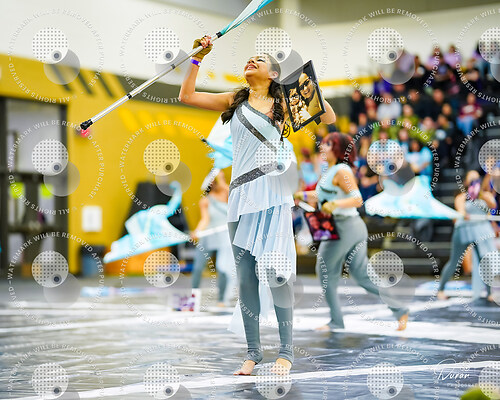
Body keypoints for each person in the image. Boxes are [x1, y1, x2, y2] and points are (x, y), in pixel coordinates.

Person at [179, 35, 337, 375]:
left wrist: (306, 85)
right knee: (246, 276)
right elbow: (186, 96)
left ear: (273, 74)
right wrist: (198, 58)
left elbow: (328, 117)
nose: (252, 60)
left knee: (278, 274)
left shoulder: (285, 102)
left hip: (273, 194)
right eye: (250, 58)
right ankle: (253, 352)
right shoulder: (234, 100)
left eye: (260, 59)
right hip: (240, 195)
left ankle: (286, 352)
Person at [294, 132, 409, 331]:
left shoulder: (341, 171)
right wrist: (301, 195)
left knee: (324, 271)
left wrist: (335, 204)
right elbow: (321, 196)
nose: (322, 147)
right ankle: (400, 309)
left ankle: (336, 321)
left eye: (327, 144)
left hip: (344, 228)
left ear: (337, 149)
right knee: (363, 276)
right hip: (350, 228)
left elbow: (357, 198)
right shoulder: (331, 171)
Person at [437, 171, 497, 301]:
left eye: (476, 178)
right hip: (464, 230)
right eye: (471, 178)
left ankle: (489, 292)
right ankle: (440, 289)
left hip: (480, 231)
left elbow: (493, 205)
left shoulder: (484, 195)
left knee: (484, 261)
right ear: (466, 181)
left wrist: (480, 194)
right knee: (454, 261)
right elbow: (461, 211)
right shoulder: (462, 196)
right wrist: (465, 212)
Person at [191, 170, 235, 307]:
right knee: (197, 267)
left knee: (222, 267)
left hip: (224, 236)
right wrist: (197, 231)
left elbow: (232, 192)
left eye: (221, 179)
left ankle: (221, 299)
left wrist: (221, 180)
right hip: (209, 235)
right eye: (216, 179)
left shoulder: (228, 195)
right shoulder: (205, 200)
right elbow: (205, 219)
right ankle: (193, 299)